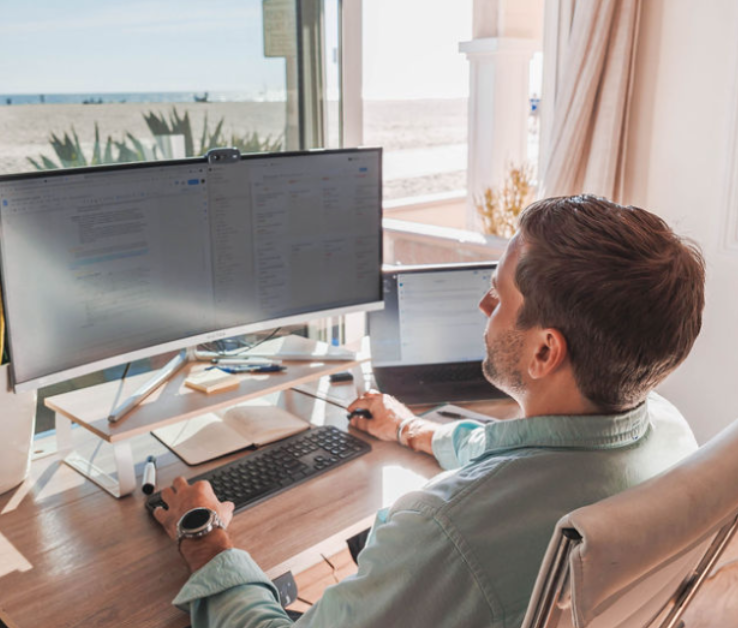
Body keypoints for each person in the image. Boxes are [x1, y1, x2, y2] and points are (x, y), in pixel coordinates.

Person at [153, 195, 705, 627]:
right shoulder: (674, 436)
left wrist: (205, 540)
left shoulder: (443, 530)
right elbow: (523, 456)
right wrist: (413, 430)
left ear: (544, 352)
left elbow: (483, 508)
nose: (483, 307)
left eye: (497, 295)